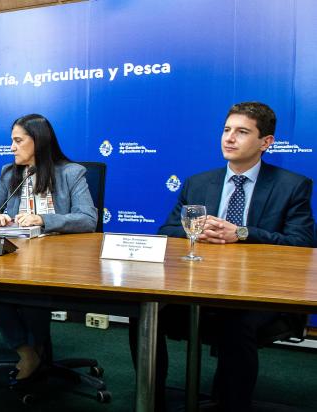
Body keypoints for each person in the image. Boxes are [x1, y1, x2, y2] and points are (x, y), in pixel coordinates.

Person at [129, 102, 314, 412]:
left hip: (260, 292)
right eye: (227, 130)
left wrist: (241, 233)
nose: (229, 138)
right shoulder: (198, 183)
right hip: (198, 287)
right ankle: (151, 401)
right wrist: (193, 231)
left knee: (235, 322)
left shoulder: (292, 186)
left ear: (266, 142)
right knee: (146, 314)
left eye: (242, 132)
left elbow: (302, 244)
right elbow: (166, 231)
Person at [0, 114, 98, 387]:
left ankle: (37, 349)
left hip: (61, 261)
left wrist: (44, 219)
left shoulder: (71, 173)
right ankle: (26, 351)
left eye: (18, 141)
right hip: (17, 256)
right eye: (11, 142)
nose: (12, 147)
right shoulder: (9, 173)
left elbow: (88, 218)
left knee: (32, 291)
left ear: (38, 141)